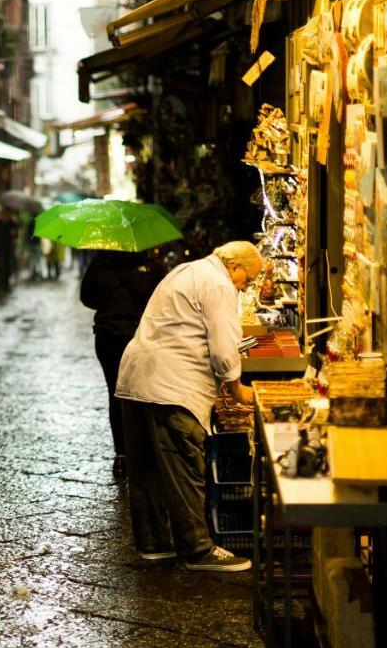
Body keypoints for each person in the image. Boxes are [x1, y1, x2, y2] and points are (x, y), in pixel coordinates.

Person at [115, 241, 262, 572]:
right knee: (184, 465)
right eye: (248, 280)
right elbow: (225, 348)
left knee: (148, 469)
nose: (246, 286)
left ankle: (154, 544)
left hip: (138, 376)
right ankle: (197, 549)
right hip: (172, 383)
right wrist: (237, 389)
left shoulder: (188, 270)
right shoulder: (219, 283)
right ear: (236, 267)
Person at [79, 250, 163, 480]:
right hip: (140, 337)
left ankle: (121, 455)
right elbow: (161, 298)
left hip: (108, 336)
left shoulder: (100, 262)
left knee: (115, 393)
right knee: (143, 392)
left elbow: (87, 298)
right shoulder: (150, 264)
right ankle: (144, 452)